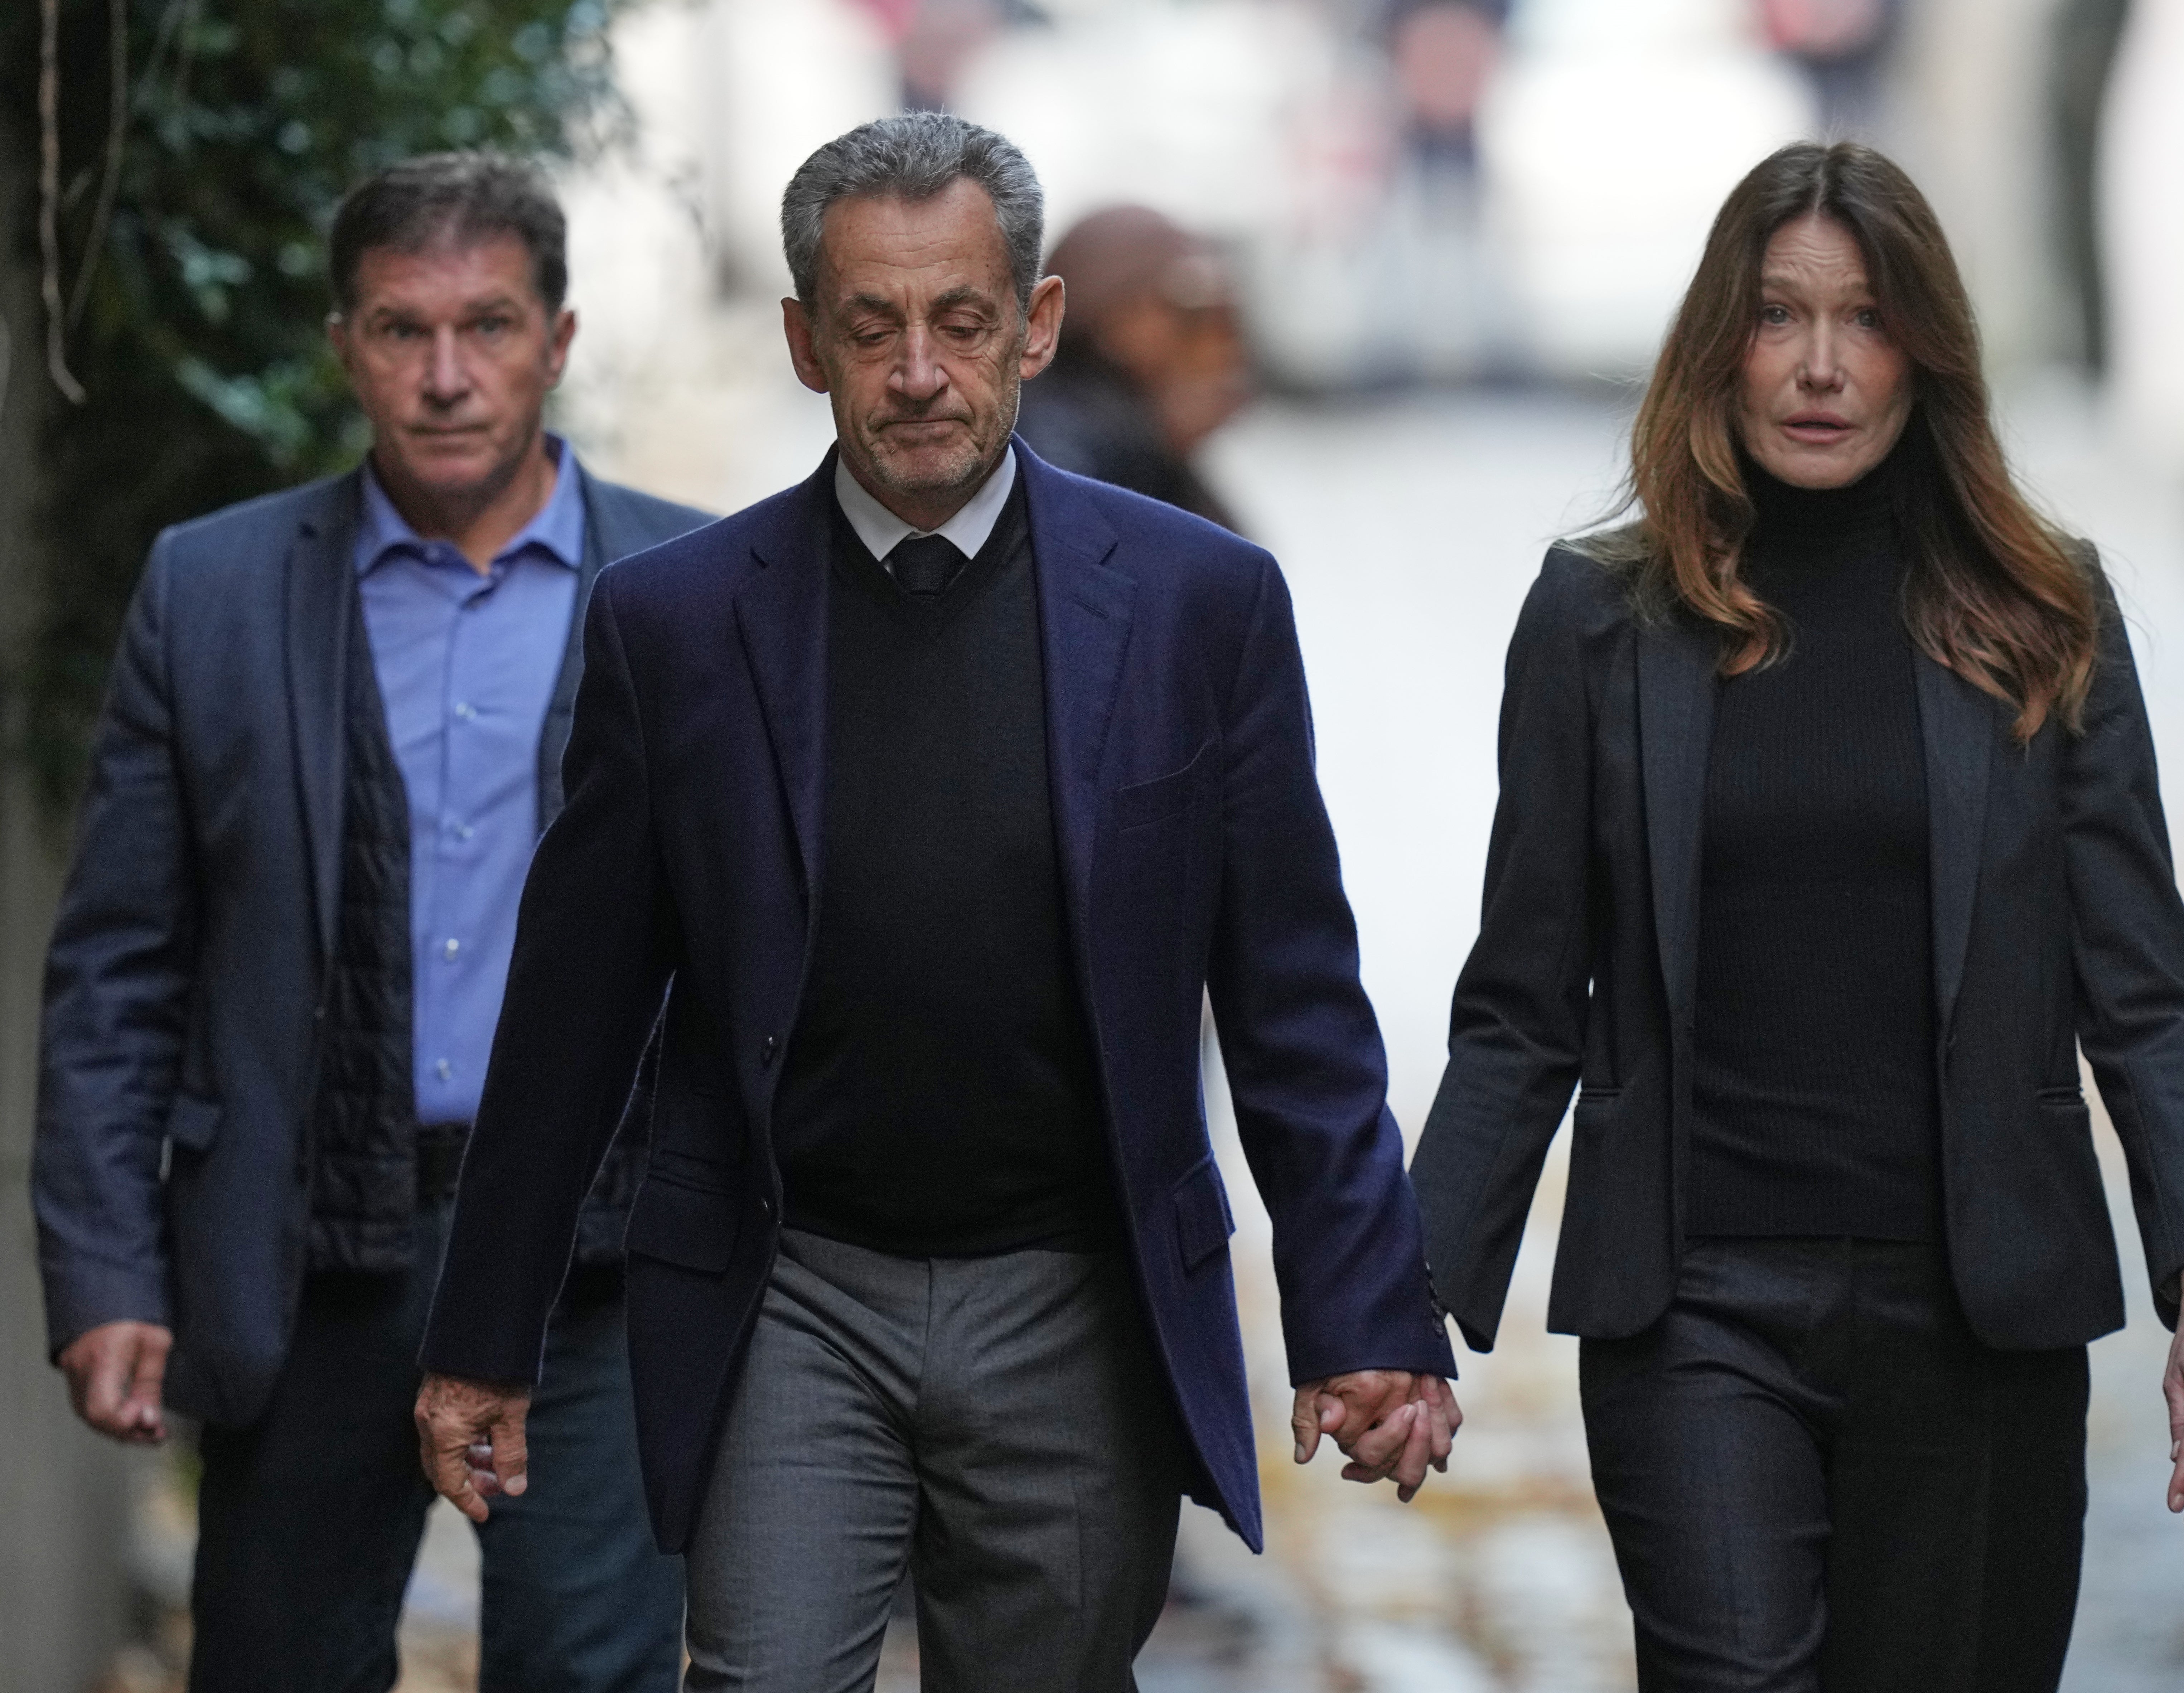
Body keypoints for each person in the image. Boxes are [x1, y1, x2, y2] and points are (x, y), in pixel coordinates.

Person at [411, 112, 1460, 1692]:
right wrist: (483, 1333)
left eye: (960, 321)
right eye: (870, 325)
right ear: (801, 344)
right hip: (790, 1290)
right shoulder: (677, 626)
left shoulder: (1196, 604)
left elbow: (1292, 999)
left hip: (1074, 1288)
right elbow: (573, 1009)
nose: (917, 369)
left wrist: (1362, 1308)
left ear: (1032, 326)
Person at [1410, 141, 2184, 1690]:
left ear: (1923, 354)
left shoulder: (2040, 614)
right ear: (1714, 347)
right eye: (1775, 317)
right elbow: (1521, 997)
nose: (1818, 366)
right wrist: (1400, 1299)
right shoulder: (1598, 622)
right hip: (1694, 1308)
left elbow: (2138, 987)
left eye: (1863, 320)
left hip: (1975, 1312)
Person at [31, 152, 704, 1692]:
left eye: (489, 325)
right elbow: (120, 967)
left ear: (561, 336)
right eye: (402, 330)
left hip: (600, 1263)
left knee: (594, 1673)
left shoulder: (697, 581)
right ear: (342, 343)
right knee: (277, 1663)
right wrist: (108, 1271)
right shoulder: (210, 591)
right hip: (309, 1247)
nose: (448, 376)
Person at [1016, 204, 1248, 529]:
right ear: (1111, 316)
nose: (1215, 348)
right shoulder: (1057, 444)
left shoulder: (1136, 431)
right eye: (1189, 316)